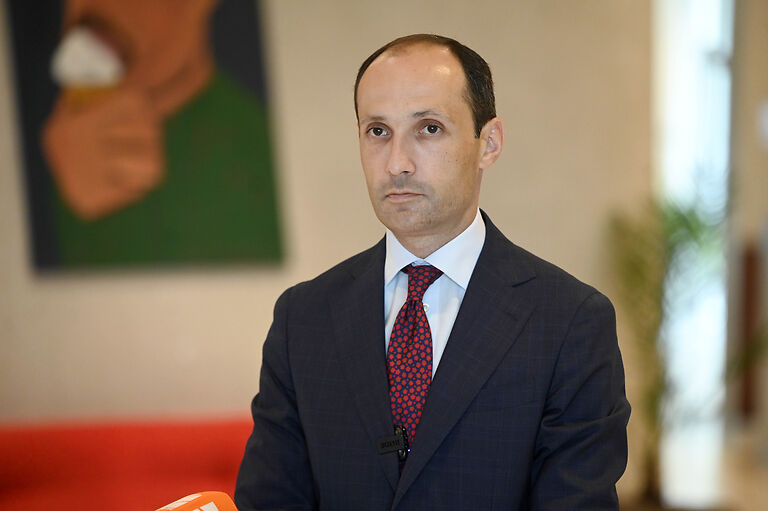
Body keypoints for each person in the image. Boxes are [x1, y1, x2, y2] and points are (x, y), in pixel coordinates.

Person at [235, 34, 630, 510]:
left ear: (488, 143)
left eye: (428, 128)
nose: (397, 164)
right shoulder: (303, 317)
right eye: (377, 131)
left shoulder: (569, 321)